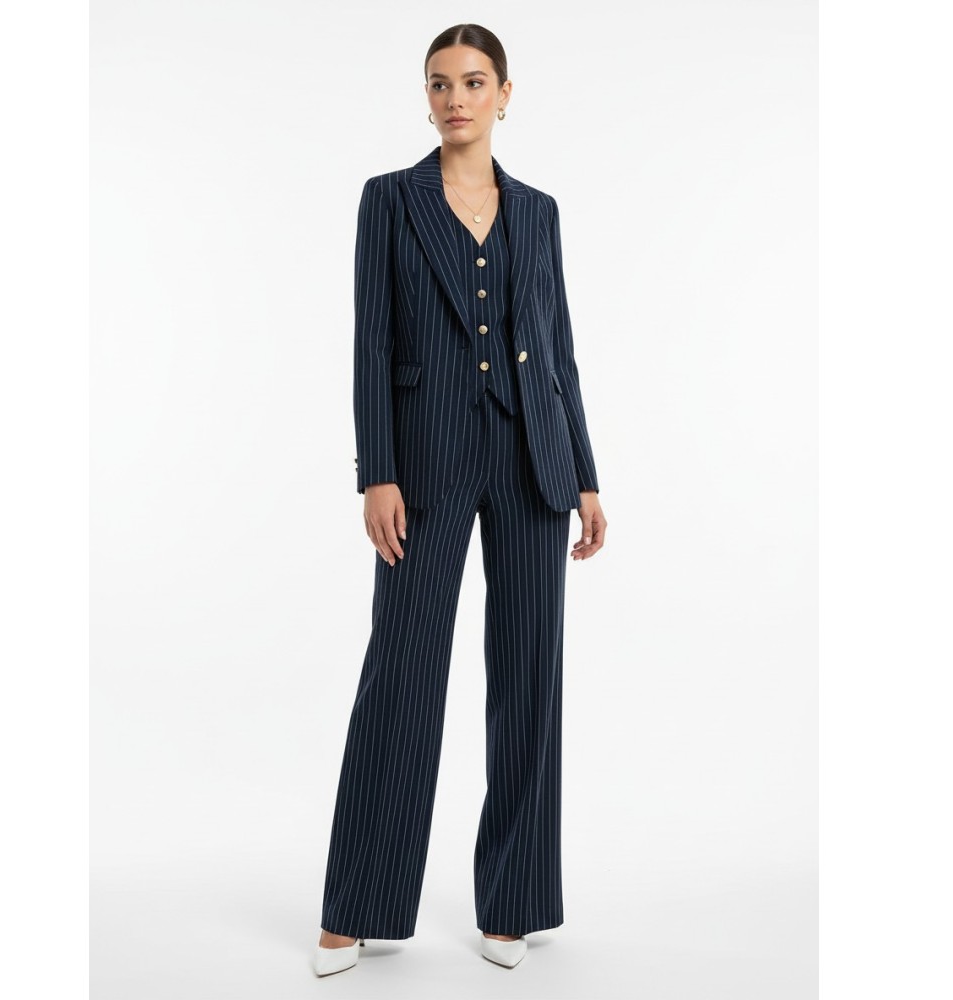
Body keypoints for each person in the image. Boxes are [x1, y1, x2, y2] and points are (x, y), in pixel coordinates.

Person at [314, 23, 607, 977]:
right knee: (402, 674)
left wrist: (587, 475)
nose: (456, 99)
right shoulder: (389, 201)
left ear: (505, 95)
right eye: (440, 84)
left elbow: (558, 351)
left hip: (532, 461)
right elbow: (368, 342)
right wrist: (377, 471)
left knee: (527, 680)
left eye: (475, 83)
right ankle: (357, 904)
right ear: (427, 97)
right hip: (426, 463)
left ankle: (513, 901)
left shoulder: (540, 213)